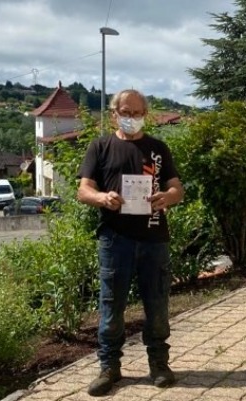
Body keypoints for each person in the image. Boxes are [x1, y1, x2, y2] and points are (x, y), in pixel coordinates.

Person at [77, 89, 184, 396]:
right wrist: (102, 198)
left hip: (154, 238)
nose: (131, 118)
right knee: (111, 306)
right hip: (115, 240)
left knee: (157, 304)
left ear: (145, 115)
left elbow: (177, 188)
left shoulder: (158, 148)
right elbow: (83, 190)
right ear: (114, 114)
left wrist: (168, 197)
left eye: (137, 113)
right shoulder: (100, 147)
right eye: (126, 112)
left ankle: (159, 365)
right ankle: (109, 367)